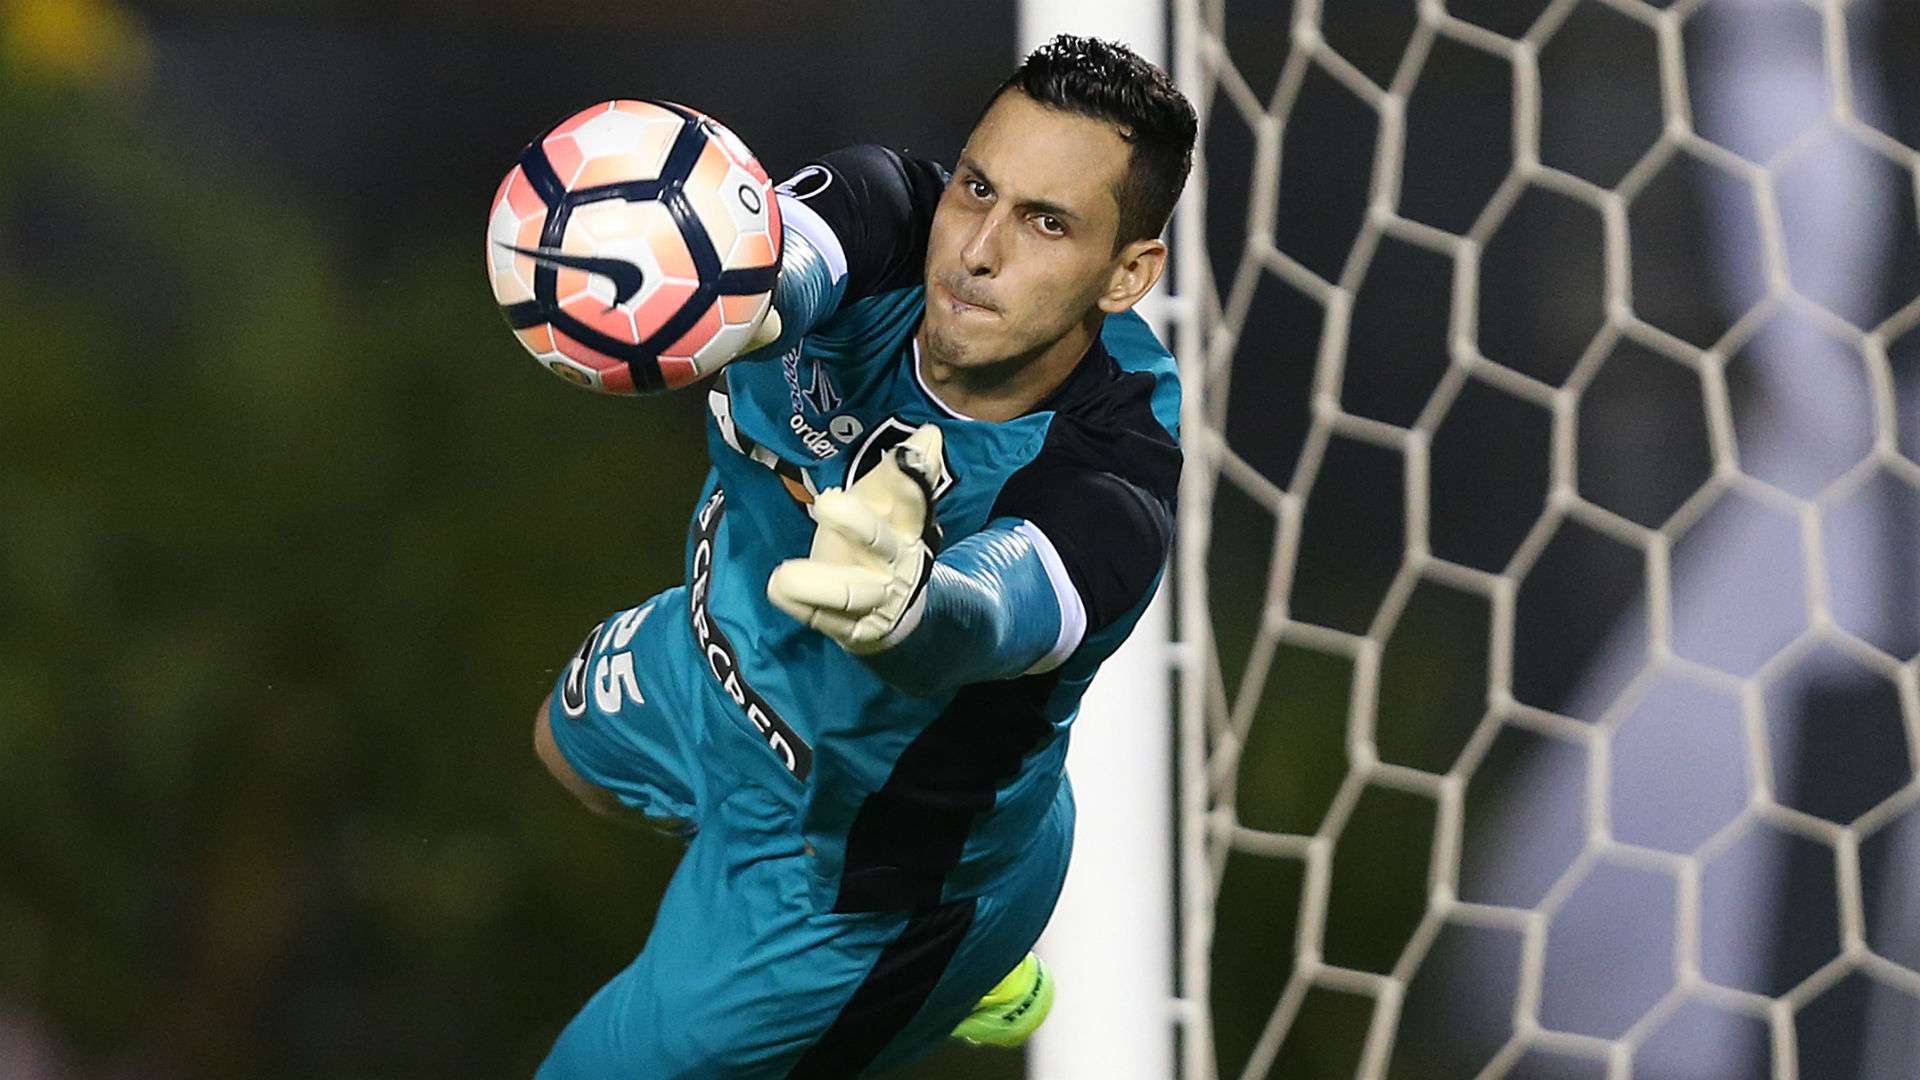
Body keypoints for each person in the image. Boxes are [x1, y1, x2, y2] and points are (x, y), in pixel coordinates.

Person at [530, 34, 1195, 1079]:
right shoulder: (887, 215)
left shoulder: (1112, 478)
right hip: (717, 665)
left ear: (1127, 274)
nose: (977, 248)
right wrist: (717, 295)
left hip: (857, 882)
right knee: (564, 754)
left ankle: (970, 959)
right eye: (979, 186)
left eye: (1047, 223)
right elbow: (781, 263)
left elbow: (991, 612)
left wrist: (914, 605)